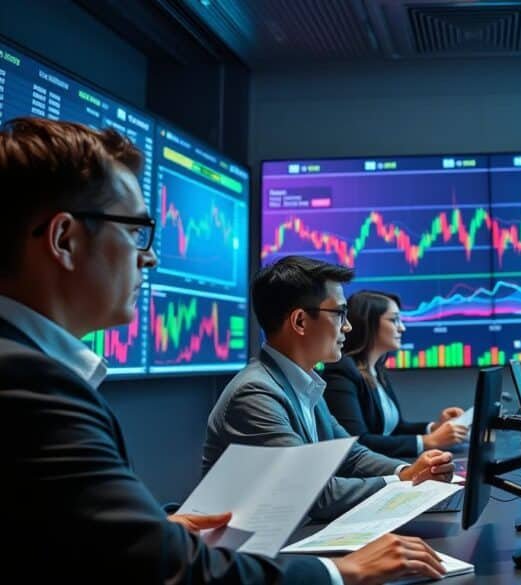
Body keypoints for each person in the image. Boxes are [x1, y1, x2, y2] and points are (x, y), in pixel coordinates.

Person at [0, 117, 445, 584]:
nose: (148, 257)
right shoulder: (29, 386)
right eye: (135, 232)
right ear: (65, 240)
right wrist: (340, 572)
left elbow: (69, 539)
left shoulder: (31, 373)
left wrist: (158, 527)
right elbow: (168, 569)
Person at [204, 256, 456, 520]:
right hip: (250, 553)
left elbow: (350, 455)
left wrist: (406, 469)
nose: (347, 326)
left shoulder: (303, 382)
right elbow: (313, 494)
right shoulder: (256, 394)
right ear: (300, 321)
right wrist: (405, 480)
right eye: (339, 314)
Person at [322, 290, 467, 458]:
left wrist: (434, 428)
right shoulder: (342, 372)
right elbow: (358, 442)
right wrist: (429, 441)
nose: (402, 327)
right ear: (368, 324)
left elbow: (394, 429)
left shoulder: (375, 370)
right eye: (393, 320)